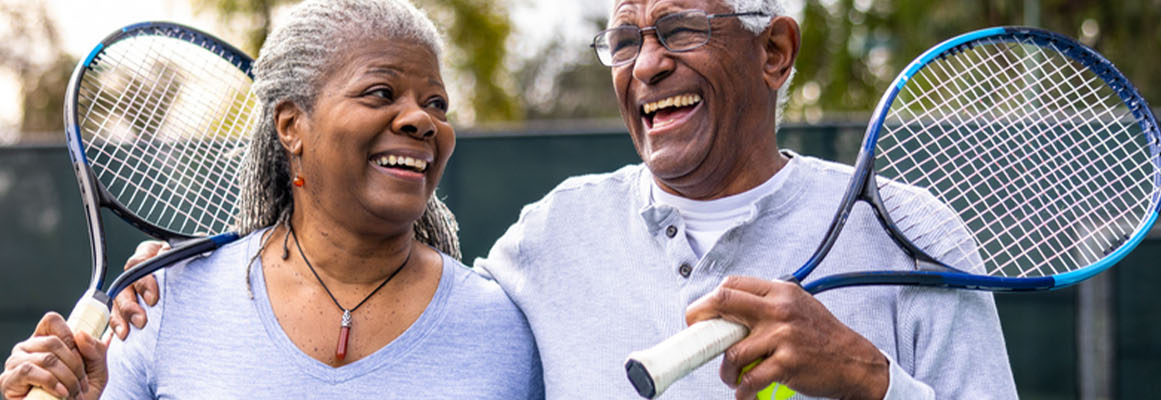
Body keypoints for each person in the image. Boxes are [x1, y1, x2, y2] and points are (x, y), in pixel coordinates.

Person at [113, 0, 1019, 398]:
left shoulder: (910, 235)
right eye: (624, 39)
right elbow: (373, 292)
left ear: (775, 51)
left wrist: (868, 382)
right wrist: (188, 275)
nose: (648, 62)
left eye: (680, 30)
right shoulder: (546, 246)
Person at [0, 0, 542, 398]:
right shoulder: (161, 305)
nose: (423, 120)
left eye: (437, 103)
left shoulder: (502, 328)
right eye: (381, 92)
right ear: (290, 125)